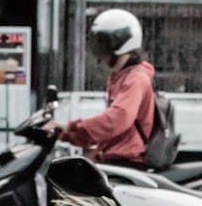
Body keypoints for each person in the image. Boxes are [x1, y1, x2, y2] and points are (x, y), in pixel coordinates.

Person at [47, 9, 156, 167]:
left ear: (119, 44)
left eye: (104, 45)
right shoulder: (120, 76)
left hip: (126, 162)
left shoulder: (136, 79)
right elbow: (104, 131)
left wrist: (69, 126)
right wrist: (63, 134)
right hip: (111, 158)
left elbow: (116, 120)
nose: (100, 53)